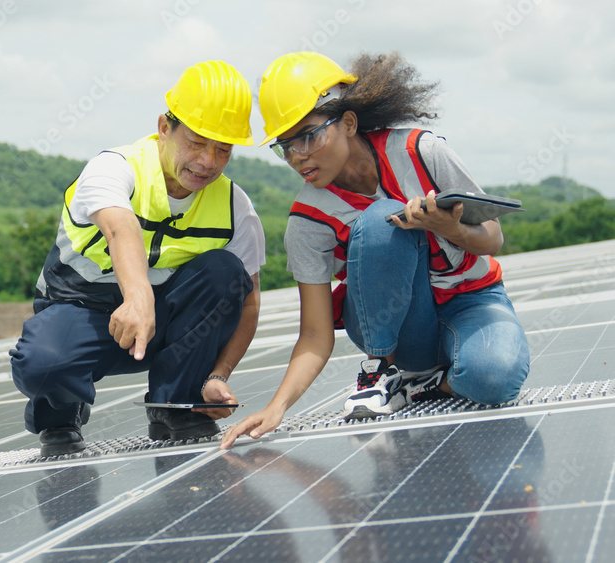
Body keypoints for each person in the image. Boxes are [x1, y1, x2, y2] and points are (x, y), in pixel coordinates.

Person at [221, 52, 529, 449]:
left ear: (348, 123)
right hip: (400, 331)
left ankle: (421, 387)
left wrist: (448, 226)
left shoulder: (422, 152)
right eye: (286, 145)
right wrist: (277, 407)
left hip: (472, 300)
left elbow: (493, 237)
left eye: (309, 135)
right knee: (381, 218)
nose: (298, 155)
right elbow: (315, 333)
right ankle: (379, 373)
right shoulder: (307, 221)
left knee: (493, 378)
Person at [10, 60, 266, 457]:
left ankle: (176, 403)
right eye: (197, 142)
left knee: (225, 272)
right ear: (165, 127)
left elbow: (248, 301)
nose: (208, 162)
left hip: (163, 328)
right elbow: (120, 229)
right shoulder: (113, 168)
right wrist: (138, 299)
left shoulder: (235, 207)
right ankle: (61, 409)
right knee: (44, 366)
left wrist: (219, 373)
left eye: (223, 149)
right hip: (81, 316)